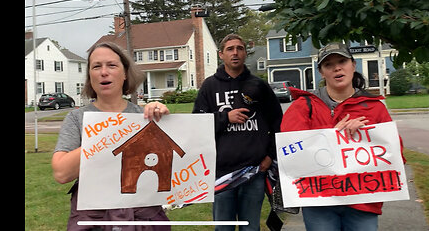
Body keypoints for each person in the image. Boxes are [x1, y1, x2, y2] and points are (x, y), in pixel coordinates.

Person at [280, 42, 406, 231]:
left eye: (342, 61)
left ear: (353, 66)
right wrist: (331, 136)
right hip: (319, 202)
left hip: (363, 203)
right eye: (328, 65)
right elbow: (289, 153)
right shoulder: (303, 106)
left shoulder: (374, 107)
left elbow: (396, 155)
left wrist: (367, 134)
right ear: (321, 72)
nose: (337, 68)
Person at [52, 42, 171, 231]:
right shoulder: (76, 118)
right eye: (96, 66)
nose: (103, 72)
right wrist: (108, 136)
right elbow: (61, 173)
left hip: (141, 219)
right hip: (93, 220)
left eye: (112, 65)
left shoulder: (145, 117)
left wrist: (164, 121)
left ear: (125, 74)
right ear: (90, 76)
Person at [193, 34, 283, 231]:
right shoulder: (210, 86)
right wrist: (226, 117)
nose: (235, 53)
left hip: (254, 172)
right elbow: (196, 125)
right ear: (221, 55)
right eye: (230, 49)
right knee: (223, 228)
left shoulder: (259, 85)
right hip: (221, 173)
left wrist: (270, 155)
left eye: (240, 48)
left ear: (245, 53)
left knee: (250, 227)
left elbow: (278, 122)